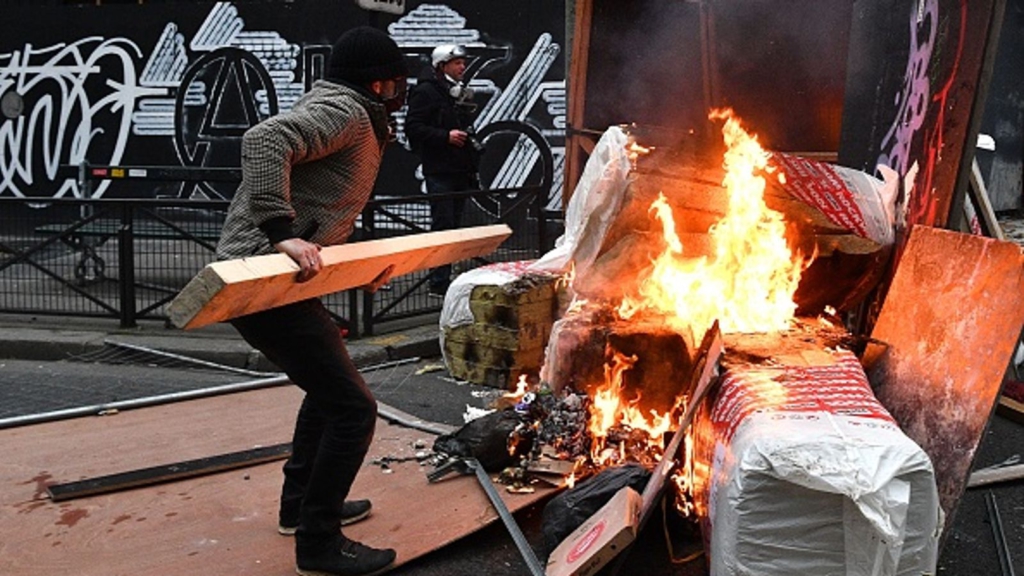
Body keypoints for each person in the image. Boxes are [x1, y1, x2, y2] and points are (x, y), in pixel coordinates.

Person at [215, 26, 407, 576]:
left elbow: (319, 211)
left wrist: (358, 269)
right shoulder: (344, 110)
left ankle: (299, 508)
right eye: (395, 81)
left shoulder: (352, 112)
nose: (400, 91)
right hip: (262, 278)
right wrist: (279, 230)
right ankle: (318, 542)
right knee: (353, 409)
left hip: (280, 278)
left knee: (328, 394)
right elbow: (264, 140)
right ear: (376, 81)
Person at [404, 43, 482, 297]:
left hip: (459, 168)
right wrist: (445, 136)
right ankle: (438, 282)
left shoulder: (456, 91)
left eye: (463, 62)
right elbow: (413, 127)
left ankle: (446, 276)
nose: (463, 66)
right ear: (442, 65)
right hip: (439, 169)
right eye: (457, 62)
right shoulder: (425, 91)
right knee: (443, 224)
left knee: (454, 224)